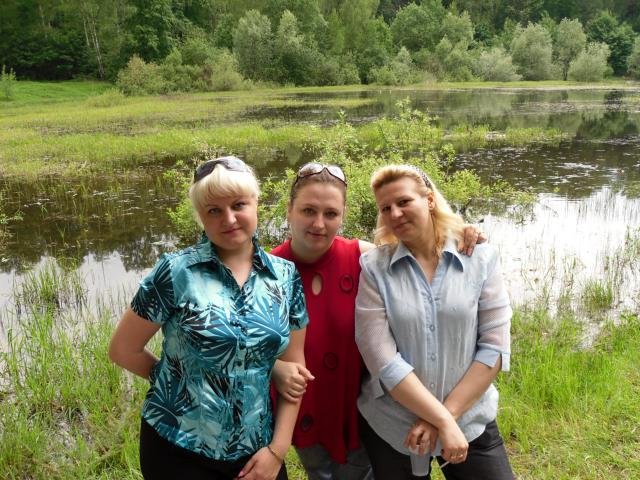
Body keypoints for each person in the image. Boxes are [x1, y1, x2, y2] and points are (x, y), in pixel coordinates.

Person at [269, 162, 484, 480]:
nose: (319, 223)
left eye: (331, 213)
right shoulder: (266, 271)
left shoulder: (363, 257)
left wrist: (459, 233)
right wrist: (275, 367)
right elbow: (243, 344)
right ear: (289, 210)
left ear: (342, 215)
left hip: (359, 410)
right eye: (308, 211)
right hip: (303, 407)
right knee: (320, 473)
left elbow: (420, 249)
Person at [108, 156, 308, 480]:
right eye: (214, 210)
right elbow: (122, 350)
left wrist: (277, 450)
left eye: (238, 205)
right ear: (201, 216)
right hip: (177, 447)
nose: (229, 219)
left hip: (256, 449)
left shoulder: (285, 277)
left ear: (256, 203)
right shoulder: (175, 272)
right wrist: (176, 383)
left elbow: (295, 372)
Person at [354, 164, 514, 480]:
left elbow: (493, 348)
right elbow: (382, 359)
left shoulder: (479, 258)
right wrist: (441, 419)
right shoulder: (374, 268)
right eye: (385, 208)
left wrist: (444, 418)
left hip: (469, 418)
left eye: (404, 201)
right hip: (394, 424)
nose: (395, 213)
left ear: (428, 200)